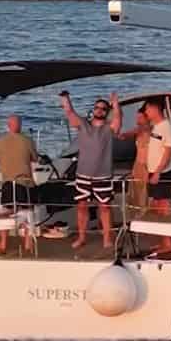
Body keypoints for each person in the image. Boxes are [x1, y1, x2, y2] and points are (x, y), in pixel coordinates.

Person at [59, 90, 122, 250]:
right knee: (81, 206)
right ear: (93, 110)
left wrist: (115, 105)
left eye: (102, 108)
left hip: (103, 176)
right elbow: (70, 112)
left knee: (105, 208)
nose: (99, 110)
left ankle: (107, 239)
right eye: (97, 108)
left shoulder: (108, 129)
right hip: (83, 176)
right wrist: (65, 98)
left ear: (106, 112)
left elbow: (117, 121)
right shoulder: (83, 125)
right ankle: (81, 237)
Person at [127, 99, 171, 254]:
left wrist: (157, 172)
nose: (146, 112)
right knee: (157, 207)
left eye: (148, 109)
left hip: (163, 172)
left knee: (164, 207)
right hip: (153, 171)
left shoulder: (166, 126)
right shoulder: (155, 127)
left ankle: (169, 243)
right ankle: (164, 241)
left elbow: (168, 152)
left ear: (155, 108)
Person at [0, 114, 38, 252]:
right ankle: (28, 244)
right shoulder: (27, 140)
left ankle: (3, 243)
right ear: (20, 125)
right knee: (27, 212)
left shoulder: (0, 142)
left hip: (7, 183)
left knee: (5, 213)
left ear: (8, 125)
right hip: (24, 182)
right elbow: (34, 158)